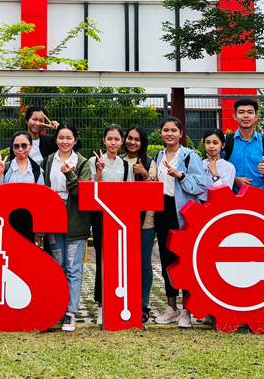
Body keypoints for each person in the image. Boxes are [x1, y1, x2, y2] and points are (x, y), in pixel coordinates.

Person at [153, 116, 210, 329]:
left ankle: (187, 310)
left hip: (182, 213)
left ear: (180, 134)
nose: (169, 133)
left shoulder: (189, 156)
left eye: (173, 130)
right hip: (162, 211)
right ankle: (171, 307)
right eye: (165, 130)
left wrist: (180, 175)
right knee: (167, 260)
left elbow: (200, 187)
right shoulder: (158, 156)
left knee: (184, 260)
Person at [42, 123, 92, 332]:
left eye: (69, 137)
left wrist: (70, 175)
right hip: (53, 217)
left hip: (76, 221)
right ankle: (58, 309)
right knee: (58, 266)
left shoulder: (82, 163)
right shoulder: (47, 162)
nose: (64, 141)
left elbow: (83, 192)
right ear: (55, 140)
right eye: (61, 137)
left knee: (74, 268)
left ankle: (70, 313)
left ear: (75, 140)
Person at [87, 124, 133, 326]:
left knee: (120, 261)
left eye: (117, 139)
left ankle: (120, 302)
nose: (113, 142)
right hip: (100, 216)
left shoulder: (127, 165)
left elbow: (131, 192)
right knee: (102, 260)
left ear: (122, 142)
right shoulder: (94, 161)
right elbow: (90, 189)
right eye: (109, 139)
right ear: (104, 141)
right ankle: (100, 306)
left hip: (121, 218)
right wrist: (99, 171)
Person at [123, 126, 156, 321]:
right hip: (121, 220)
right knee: (124, 263)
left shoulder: (149, 162)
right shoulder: (117, 161)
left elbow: (155, 191)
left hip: (145, 221)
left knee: (144, 264)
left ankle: (143, 304)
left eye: (137, 139)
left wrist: (144, 173)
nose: (132, 142)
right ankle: (125, 300)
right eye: (129, 138)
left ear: (143, 142)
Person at [0, 130, 44, 243]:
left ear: (31, 146)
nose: (20, 149)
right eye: (16, 146)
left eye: (24, 145)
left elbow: (41, 202)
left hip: (29, 221)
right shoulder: (5, 169)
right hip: (8, 219)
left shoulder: (37, 172)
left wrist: (39, 233)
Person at [224, 97, 264, 193]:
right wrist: (234, 179)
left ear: (256, 117)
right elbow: (217, 169)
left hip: (259, 199)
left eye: (250, 112)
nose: (246, 116)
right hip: (232, 199)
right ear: (234, 116)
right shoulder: (225, 141)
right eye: (241, 112)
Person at [200, 129, 236, 201]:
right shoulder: (200, 163)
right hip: (197, 204)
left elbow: (225, 194)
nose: (211, 146)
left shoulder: (228, 167)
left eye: (215, 143)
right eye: (208, 142)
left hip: (217, 205)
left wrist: (215, 174)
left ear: (223, 145)